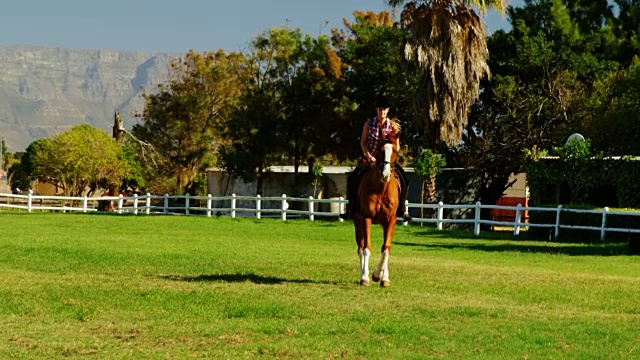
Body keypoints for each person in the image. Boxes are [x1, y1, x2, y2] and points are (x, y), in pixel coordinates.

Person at [340, 95, 412, 221]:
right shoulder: (369, 123)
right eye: (380, 109)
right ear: (376, 110)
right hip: (371, 159)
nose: (382, 112)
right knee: (352, 178)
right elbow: (363, 142)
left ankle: (401, 209)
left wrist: (392, 145)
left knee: (405, 180)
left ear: (388, 110)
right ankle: (351, 209)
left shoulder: (393, 126)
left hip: (387, 160)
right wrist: (368, 156)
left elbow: (397, 146)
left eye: (384, 109)